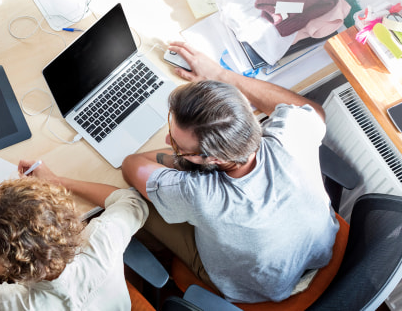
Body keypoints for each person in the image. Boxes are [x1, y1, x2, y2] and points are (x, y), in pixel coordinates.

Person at [121, 41, 339, 303]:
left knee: (132, 201)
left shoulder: (197, 193)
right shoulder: (292, 130)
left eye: (178, 145)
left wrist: (179, 161)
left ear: (213, 158)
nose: (168, 140)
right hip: (320, 249)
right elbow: (316, 112)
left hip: (258, 288)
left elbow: (131, 164)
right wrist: (221, 76)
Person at [0, 165, 149, 311]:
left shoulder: (18, 303)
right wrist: (59, 182)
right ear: (67, 218)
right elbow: (133, 202)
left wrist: (12, 251)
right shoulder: (102, 239)